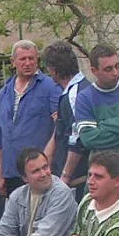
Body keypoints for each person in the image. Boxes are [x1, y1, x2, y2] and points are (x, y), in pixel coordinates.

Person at [60, 44, 119, 188]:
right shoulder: (85, 98)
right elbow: (89, 139)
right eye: (108, 69)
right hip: (102, 174)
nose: (115, 72)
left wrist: (104, 125)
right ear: (94, 70)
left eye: (117, 66)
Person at [0, 40, 59, 196]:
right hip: (12, 173)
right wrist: (0, 175)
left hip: (39, 172)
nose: (28, 63)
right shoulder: (4, 93)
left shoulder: (50, 87)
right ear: (13, 62)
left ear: (37, 60)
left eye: (31, 58)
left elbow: (60, 127)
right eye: (23, 59)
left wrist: (47, 161)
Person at [41, 41, 89, 196]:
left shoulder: (75, 95)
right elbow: (60, 132)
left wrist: (65, 176)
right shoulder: (73, 91)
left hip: (79, 180)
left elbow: (77, 137)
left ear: (54, 70)